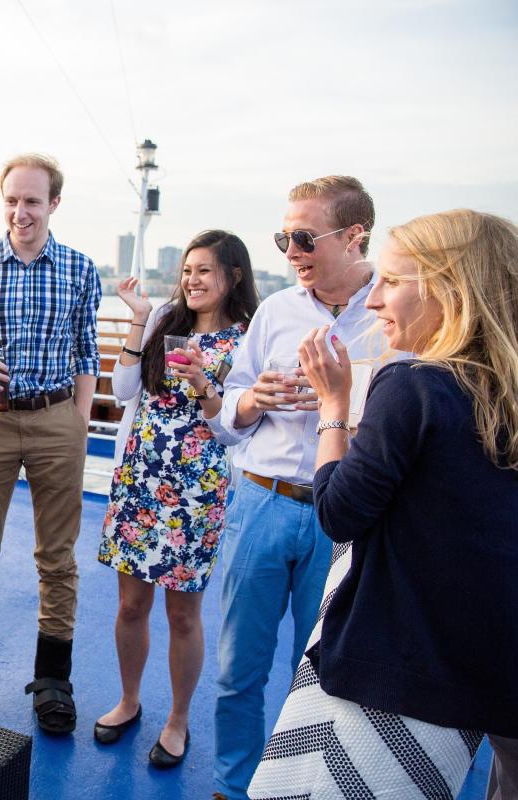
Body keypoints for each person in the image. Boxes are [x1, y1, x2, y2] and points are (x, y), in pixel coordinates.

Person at [248, 209, 518, 797]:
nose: (375, 303)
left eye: (392, 282)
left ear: (451, 289)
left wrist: (333, 407)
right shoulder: (501, 393)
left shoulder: (414, 386)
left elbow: (340, 511)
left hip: (404, 669)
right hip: (491, 662)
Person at [213, 176, 394, 800]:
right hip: (261, 500)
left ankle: (294, 788)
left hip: (339, 513)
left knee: (317, 669)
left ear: (353, 236)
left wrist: (341, 402)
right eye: (282, 237)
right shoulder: (277, 310)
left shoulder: (390, 313)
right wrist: (249, 402)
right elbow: (227, 407)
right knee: (239, 668)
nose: (289, 251)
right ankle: (232, 786)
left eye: (301, 237)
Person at [0, 153, 100, 734]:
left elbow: (87, 351)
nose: (20, 211)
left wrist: (79, 422)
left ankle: (53, 681)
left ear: (53, 203)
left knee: (57, 558)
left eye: (32, 201)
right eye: (11, 200)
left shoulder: (80, 269)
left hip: (57, 418)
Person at [95, 231, 258, 766]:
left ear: (233, 276)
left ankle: (179, 719)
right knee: (130, 604)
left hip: (196, 493)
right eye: (187, 270)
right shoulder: (168, 324)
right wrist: (140, 315)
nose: (192, 280)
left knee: (183, 615)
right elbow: (121, 391)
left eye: (205, 271)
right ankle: (129, 700)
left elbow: (234, 429)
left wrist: (204, 385)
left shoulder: (246, 341)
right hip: (140, 480)